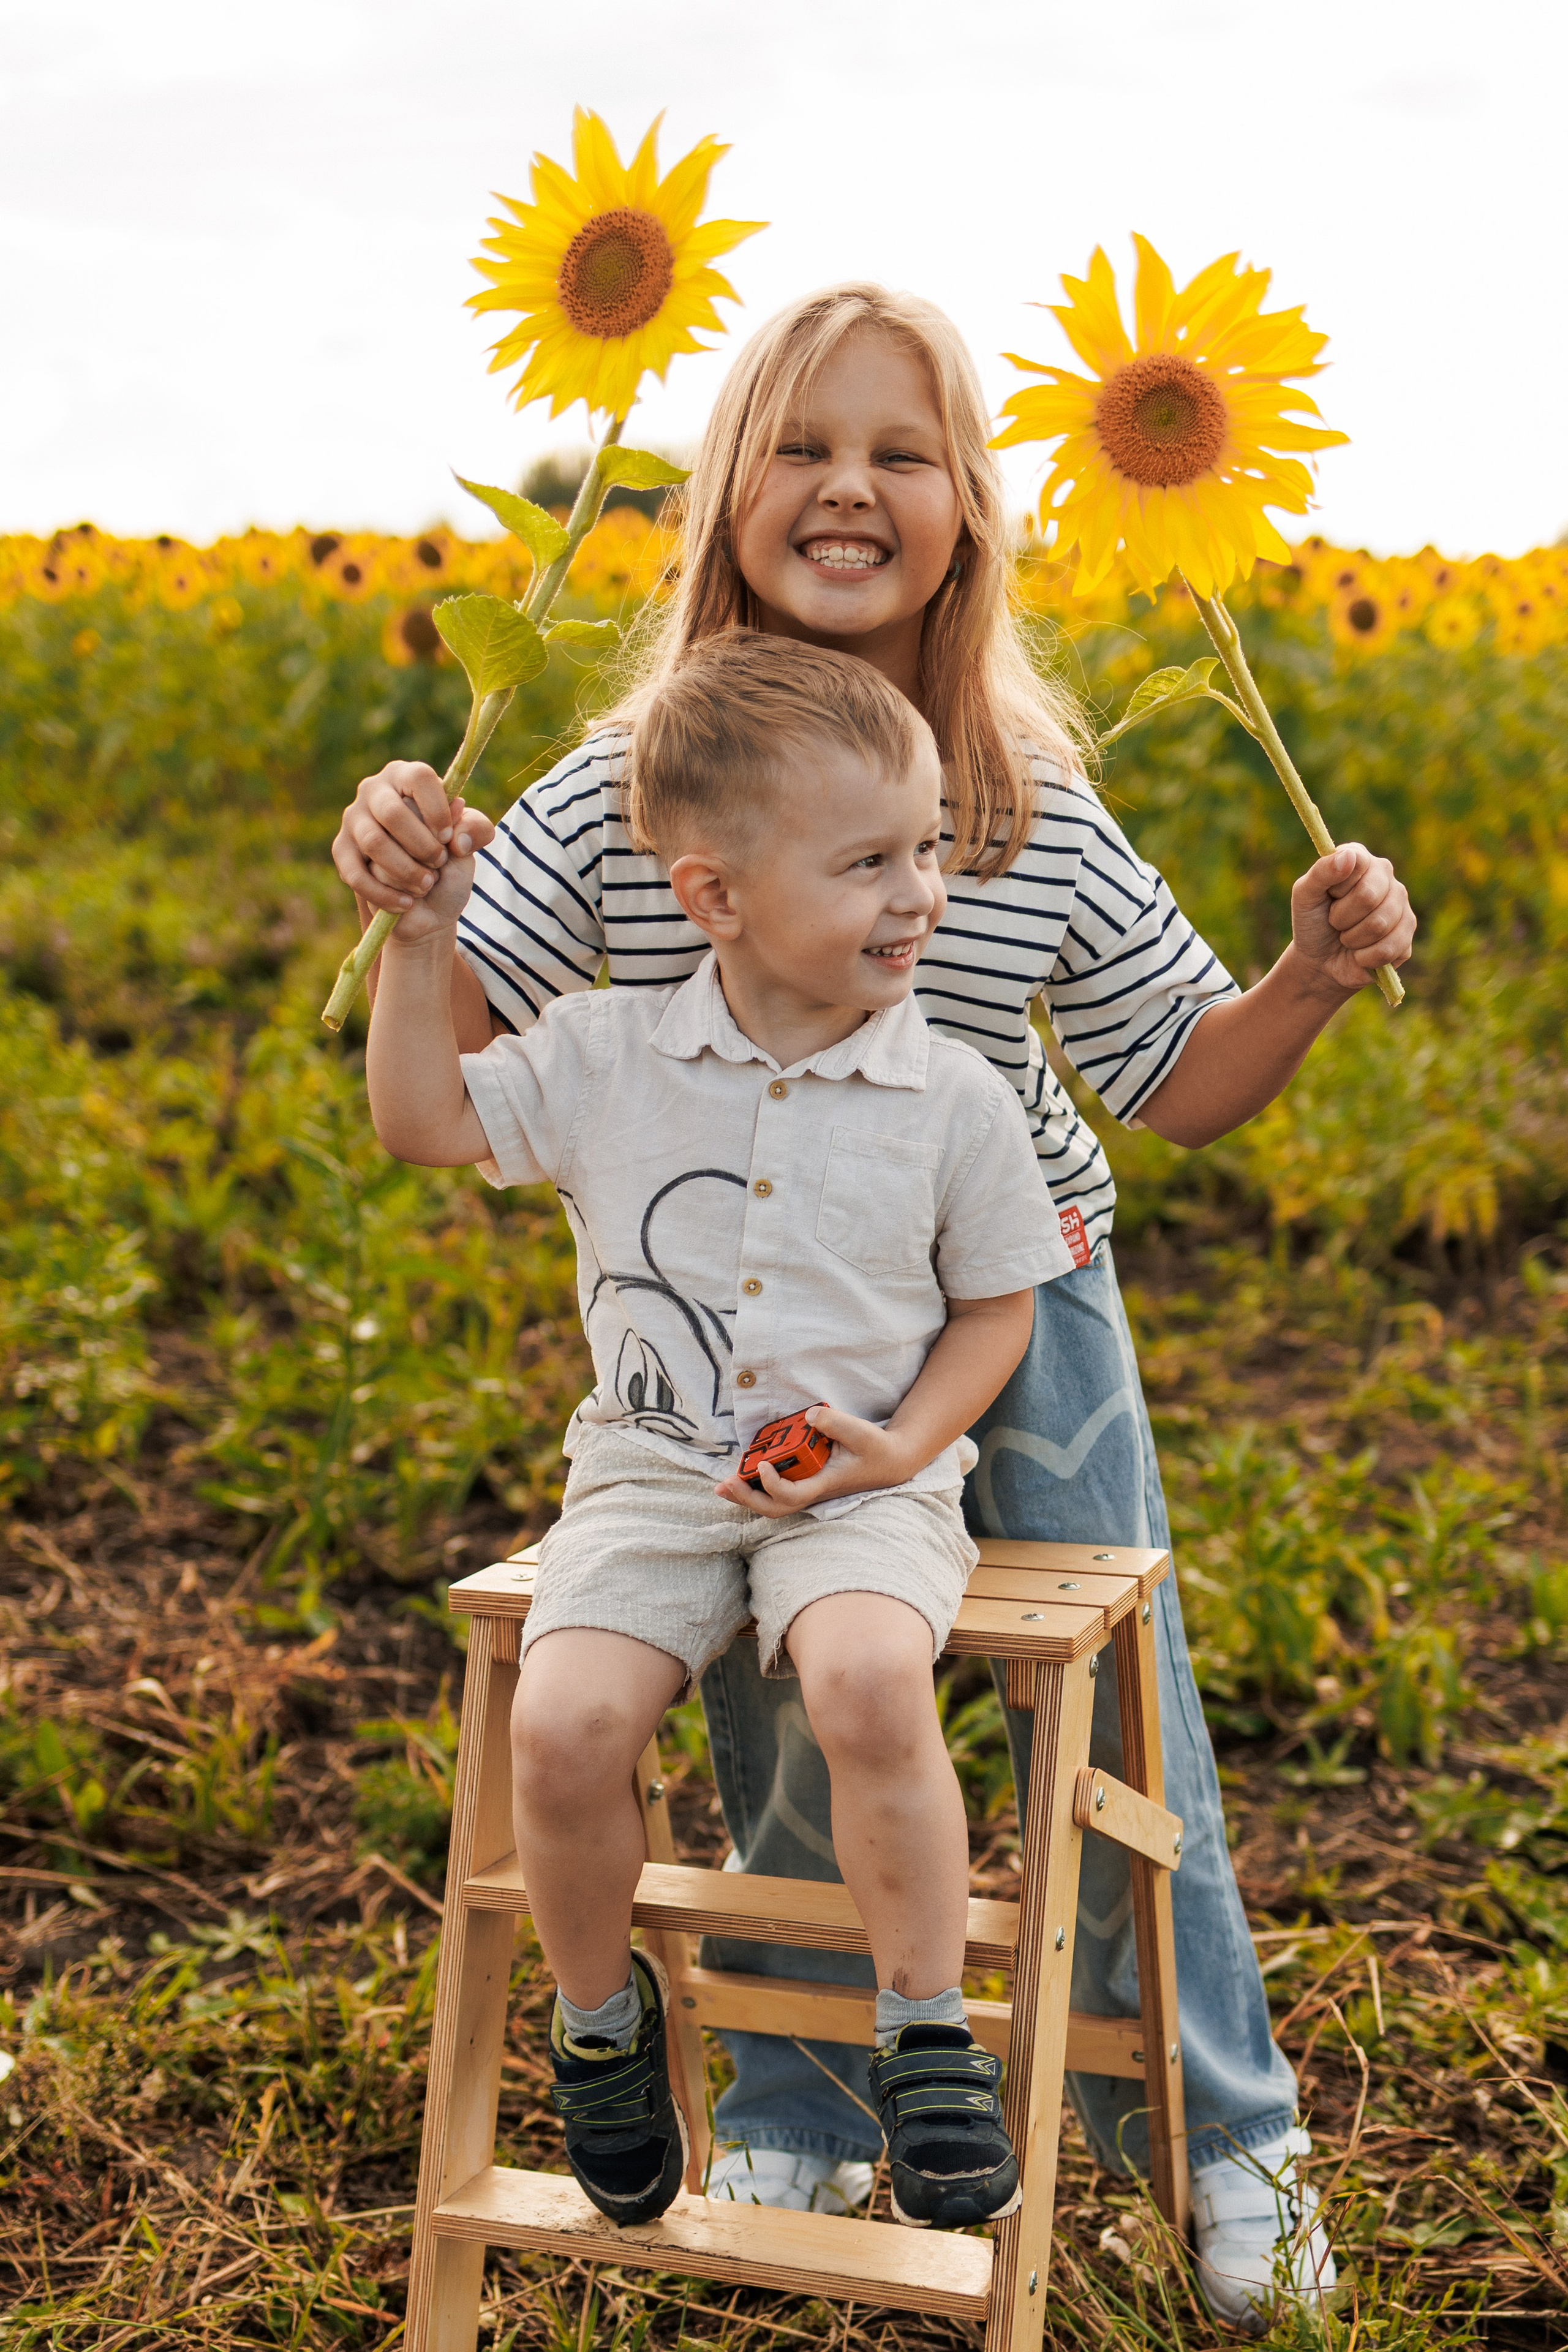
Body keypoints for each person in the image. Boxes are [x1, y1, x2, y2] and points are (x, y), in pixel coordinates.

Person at [333, 284, 1414, 2326]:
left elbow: (1181, 1078)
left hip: (1023, 1302)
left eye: (900, 453)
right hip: (759, 1333)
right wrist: (399, 865)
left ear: (971, 509)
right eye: (801, 448)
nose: (848, 489)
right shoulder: (633, 785)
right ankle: (814, 2102)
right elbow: (457, 1022)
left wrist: (1310, 978)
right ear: (726, 497)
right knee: (786, 1693)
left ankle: (1224, 2128)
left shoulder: (1020, 803)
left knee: (1125, 1736)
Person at [364, 631, 1077, 2231]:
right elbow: (422, 1121)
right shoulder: (611, 1055)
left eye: (927, 851)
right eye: (868, 862)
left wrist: (907, 1449)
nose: (918, 896)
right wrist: (418, 946)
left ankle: (922, 2035)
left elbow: (997, 1313)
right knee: (562, 1732)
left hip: (857, 1481)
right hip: (648, 1475)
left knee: (871, 1681)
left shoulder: (955, 1095)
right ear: (715, 898)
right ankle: (605, 2030)